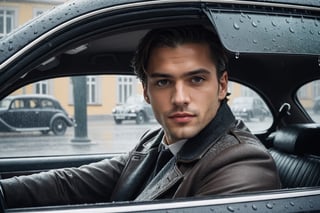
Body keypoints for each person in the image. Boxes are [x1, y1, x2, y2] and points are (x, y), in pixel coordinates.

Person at [0, 25, 281, 208]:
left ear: (221, 86)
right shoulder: (155, 141)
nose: (180, 97)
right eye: (163, 82)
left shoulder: (242, 162)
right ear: (146, 91)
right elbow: (72, 182)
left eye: (196, 80)